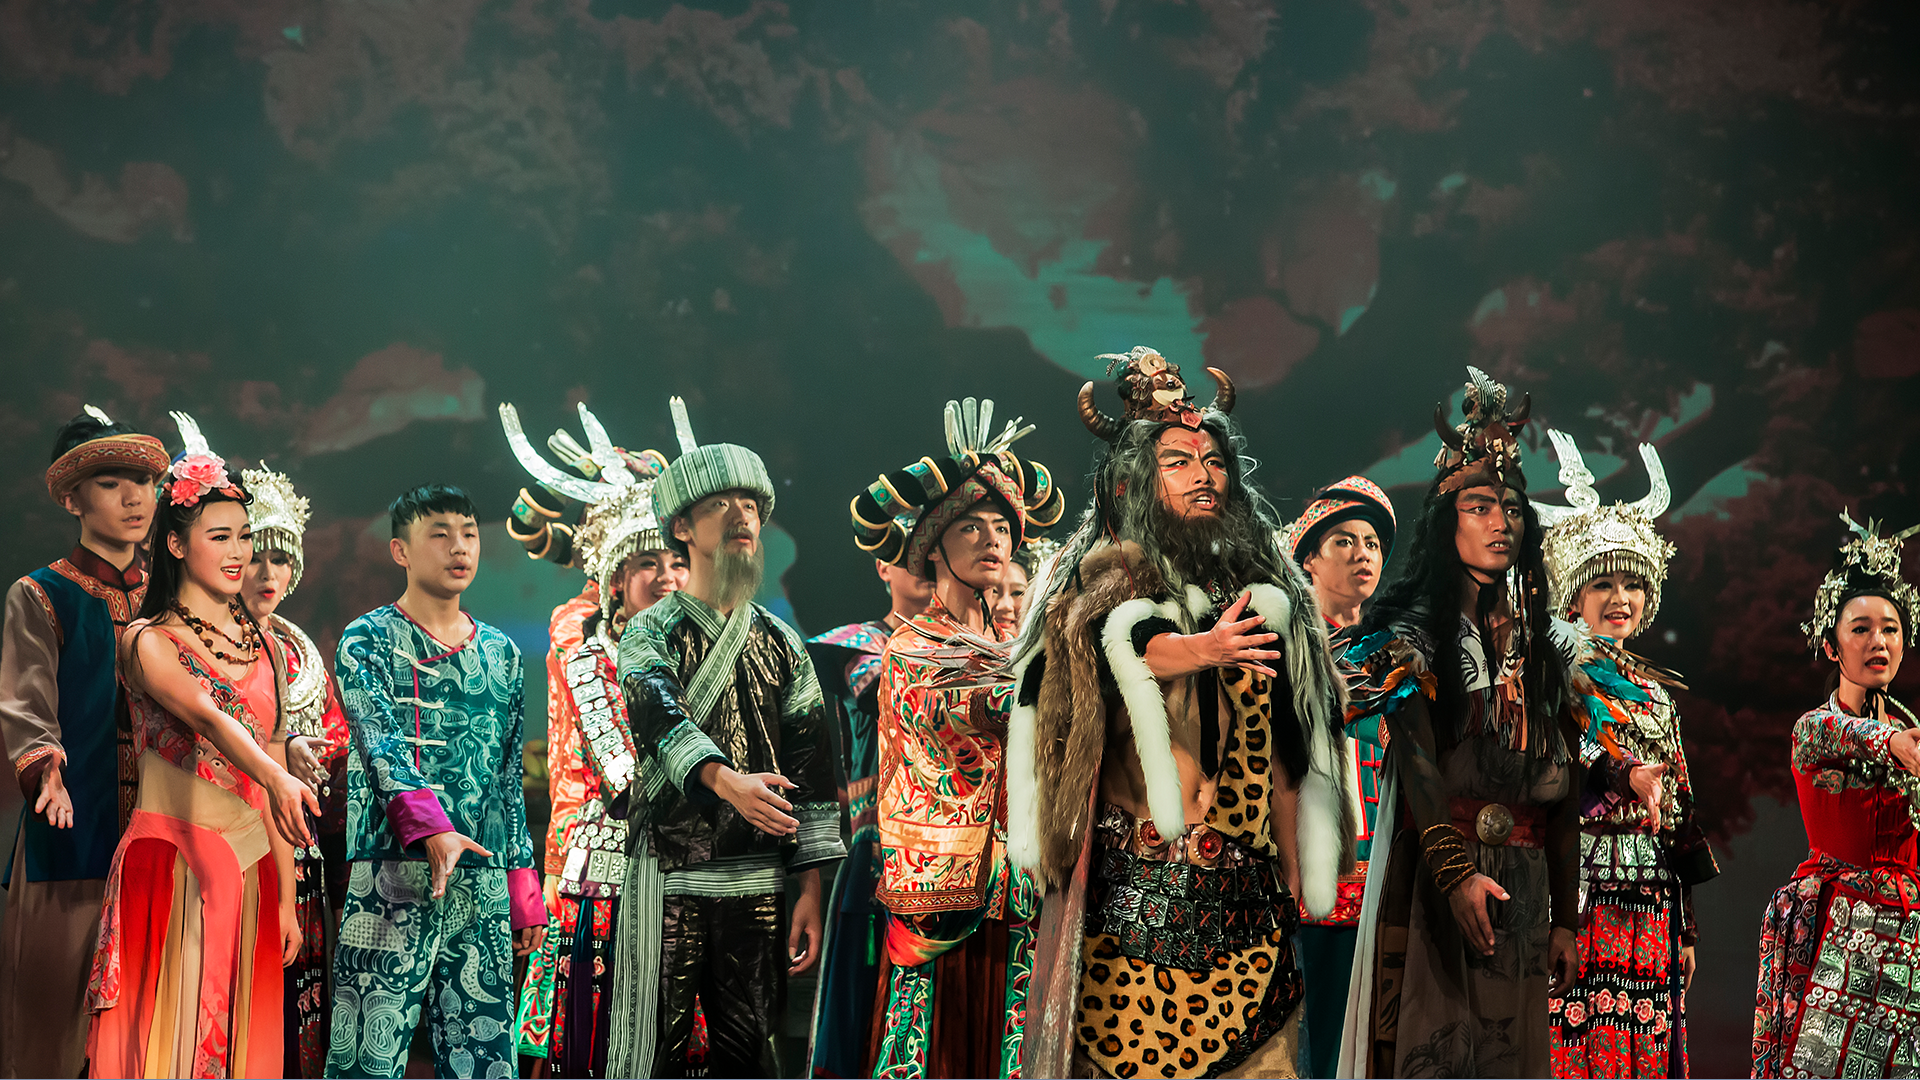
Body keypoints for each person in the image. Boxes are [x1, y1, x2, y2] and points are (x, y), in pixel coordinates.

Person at [1008, 348, 1352, 1080]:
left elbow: (1287, 750)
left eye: (1213, 460)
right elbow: (1116, 645)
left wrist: (1298, 874)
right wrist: (1206, 648)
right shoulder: (1106, 574)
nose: (1203, 474)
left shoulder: (1265, 591)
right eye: (1178, 461)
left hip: (1249, 917)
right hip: (1128, 922)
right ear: (1137, 479)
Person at [1338, 367, 1582, 1077]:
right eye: (1479, 507)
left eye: (1511, 509)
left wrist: (1565, 918)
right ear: (1447, 523)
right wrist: (1455, 878)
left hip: (1526, 884)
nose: (1500, 522)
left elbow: (1563, 794)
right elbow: (1417, 768)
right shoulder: (1412, 639)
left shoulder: (1551, 651)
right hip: (1439, 881)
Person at [603, 401, 844, 1078]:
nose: (741, 515)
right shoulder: (649, 630)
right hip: (669, 877)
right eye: (720, 503)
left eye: (751, 504)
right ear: (682, 526)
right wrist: (726, 781)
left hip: (758, 885)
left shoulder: (782, 642)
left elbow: (810, 765)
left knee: (755, 1057)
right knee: (651, 1056)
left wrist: (809, 888)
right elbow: (657, 714)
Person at [86, 412, 319, 1078]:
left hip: (253, 867)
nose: (239, 551)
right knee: (173, 1043)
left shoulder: (265, 646)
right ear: (177, 545)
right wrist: (276, 776)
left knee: (245, 1046)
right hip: (173, 864)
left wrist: (284, 898)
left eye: (245, 535)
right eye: (221, 537)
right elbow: (211, 719)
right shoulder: (148, 641)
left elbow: (272, 759)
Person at [851, 396, 1064, 1079]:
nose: (992, 539)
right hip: (944, 895)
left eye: (1002, 526)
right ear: (932, 547)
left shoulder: (1014, 646)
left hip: (1020, 888)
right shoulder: (916, 647)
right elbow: (997, 701)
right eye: (970, 526)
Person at [325, 484, 548, 1079]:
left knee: (484, 1056)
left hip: (480, 877)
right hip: (389, 875)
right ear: (400, 550)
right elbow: (377, 742)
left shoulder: (502, 653)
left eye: (469, 534)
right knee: (365, 1057)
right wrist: (430, 827)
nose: (460, 548)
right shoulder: (366, 638)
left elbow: (507, 779)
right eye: (440, 534)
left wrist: (523, 886)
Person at [501, 402, 688, 1077]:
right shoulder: (584, 638)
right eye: (648, 562)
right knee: (596, 1031)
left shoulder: (697, 639)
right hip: (609, 853)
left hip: (685, 858)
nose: (667, 575)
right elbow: (618, 766)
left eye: (677, 560)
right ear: (615, 576)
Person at [1536, 434, 1716, 1079]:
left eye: (1633, 585)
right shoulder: (1553, 676)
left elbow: (1679, 809)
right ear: (1573, 598)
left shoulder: (1656, 692)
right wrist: (1621, 773)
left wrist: (1686, 929)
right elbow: (1567, 760)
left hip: (1653, 900)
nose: (1620, 598)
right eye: (1603, 584)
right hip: (1577, 892)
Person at [0, 405, 169, 1078]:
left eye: (143, 481)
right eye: (110, 483)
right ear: (73, 499)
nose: (134, 498)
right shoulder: (41, 595)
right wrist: (46, 770)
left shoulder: (173, 600)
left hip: (161, 841)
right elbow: (26, 704)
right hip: (74, 835)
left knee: (153, 1031)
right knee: (53, 1030)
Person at [1751, 512, 1920, 1078]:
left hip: (1910, 931)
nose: (1879, 642)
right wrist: (1891, 741)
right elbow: (1839, 732)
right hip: (1834, 926)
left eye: (1890, 629)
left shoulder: (1914, 735)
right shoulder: (1815, 729)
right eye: (1861, 629)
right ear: (1831, 646)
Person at [805, 528, 933, 1078]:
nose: (923, 563)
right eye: (909, 553)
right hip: (880, 849)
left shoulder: (988, 640)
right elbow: (887, 694)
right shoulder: (860, 647)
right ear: (883, 567)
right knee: (868, 1009)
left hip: (970, 855)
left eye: (932, 550)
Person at [1280, 475, 1397, 1079]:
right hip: (1308, 874)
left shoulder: (1396, 655)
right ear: (1309, 559)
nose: (1362, 554)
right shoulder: (1285, 649)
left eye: (1372, 543)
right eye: (1344, 542)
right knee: (1312, 1042)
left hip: (1384, 873)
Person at [240, 465, 350, 1078]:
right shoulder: (206, 643)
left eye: (280, 560)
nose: (267, 574)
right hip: (236, 847)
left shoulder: (300, 651)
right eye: (254, 556)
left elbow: (335, 749)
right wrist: (284, 753)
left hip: (301, 857)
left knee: (296, 1005)